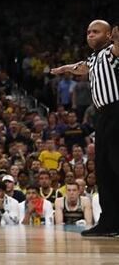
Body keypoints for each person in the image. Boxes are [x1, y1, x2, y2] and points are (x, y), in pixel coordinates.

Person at [51, 21, 119, 237]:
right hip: (102, 116)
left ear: (108, 35)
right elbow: (83, 67)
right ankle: (109, 223)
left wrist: (118, 39)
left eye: (95, 31)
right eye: (88, 32)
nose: (90, 35)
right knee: (104, 171)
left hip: (117, 112)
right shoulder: (94, 57)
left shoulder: (110, 51)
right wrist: (65, 69)